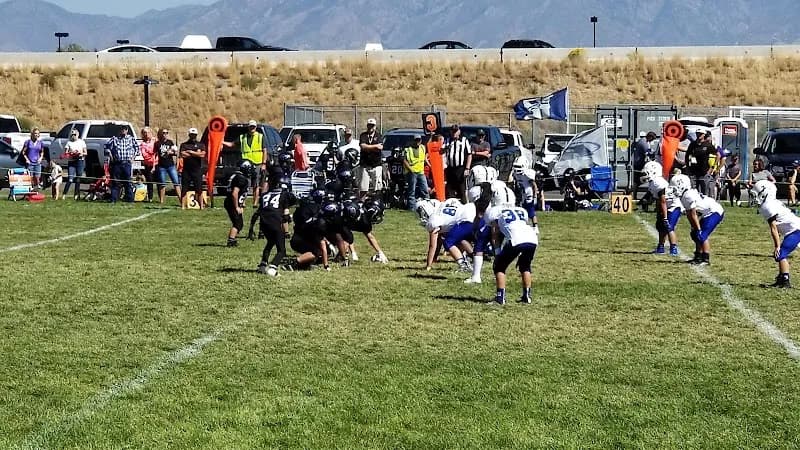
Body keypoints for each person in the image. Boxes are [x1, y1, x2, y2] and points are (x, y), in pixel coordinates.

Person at [484, 197, 539, 305]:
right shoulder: (520, 211)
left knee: (499, 266)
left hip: (516, 239)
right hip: (532, 238)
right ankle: (527, 296)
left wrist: (497, 252)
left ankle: (500, 298)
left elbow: (495, 235)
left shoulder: (497, 215)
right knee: (525, 266)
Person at [752, 180, 800, 288]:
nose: (755, 196)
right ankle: (782, 278)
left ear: (765, 192)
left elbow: (773, 228)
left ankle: (785, 281)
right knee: (780, 254)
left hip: (796, 230)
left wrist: (777, 246)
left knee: (780, 254)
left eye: (757, 193)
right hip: (793, 229)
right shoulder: (771, 203)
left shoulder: (768, 206)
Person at [671, 173, 724, 266]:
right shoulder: (685, 195)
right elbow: (689, 214)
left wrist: (698, 229)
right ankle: (698, 256)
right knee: (695, 234)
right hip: (707, 212)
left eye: (675, 187)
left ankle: (705, 259)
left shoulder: (688, 196)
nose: (673, 190)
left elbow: (693, 214)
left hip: (714, 211)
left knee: (702, 235)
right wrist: (694, 227)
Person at [253, 166, 296, 276]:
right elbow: (285, 217)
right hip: (275, 223)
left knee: (270, 242)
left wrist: (251, 228)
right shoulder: (284, 195)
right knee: (282, 251)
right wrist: (291, 218)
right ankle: (273, 267)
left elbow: (257, 213)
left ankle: (262, 265)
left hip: (264, 223)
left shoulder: (265, 195)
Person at [418, 198, 476, 272]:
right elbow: (439, 240)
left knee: (448, 242)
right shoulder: (445, 206)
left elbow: (433, 245)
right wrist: (435, 258)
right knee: (458, 239)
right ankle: (475, 259)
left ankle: (463, 264)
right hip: (474, 216)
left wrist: (428, 265)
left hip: (466, 221)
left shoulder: (435, 219)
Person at [223, 120, 267, 207]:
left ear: (255, 127)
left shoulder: (260, 137)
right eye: (251, 127)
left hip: (257, 162)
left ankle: (255, 203)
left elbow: (264, 150)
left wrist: (263, 163)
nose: (252, 128)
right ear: (248, 127)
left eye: (254, 127)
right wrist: (221, 142)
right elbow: (232, 144)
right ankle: (243, 202)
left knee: (256, 184)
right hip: (246, 164)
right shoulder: (242, 137)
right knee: (245, 183)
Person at [642, 161, 681, 256]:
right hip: (666, 206)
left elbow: (663, 200)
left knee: (669, 227)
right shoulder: (653, 182)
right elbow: (657, 199)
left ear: (653, 172)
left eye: (646, 173)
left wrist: (665, 217)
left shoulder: (658, 182)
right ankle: (661, 247)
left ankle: (673, 248)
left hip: (673, 206)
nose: (644, 175)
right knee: (661, 227)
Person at [287, 198, 330, 271]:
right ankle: (295, 263)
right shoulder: (317, 227)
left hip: (295, 240)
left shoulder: (299, 214)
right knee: (317, 252)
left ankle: (304, 263)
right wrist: (326, 266)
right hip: (300, 241)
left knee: (316, 250)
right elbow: (323, 249)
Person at [104, 124, 141, 203]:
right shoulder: (115, 139)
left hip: (127, 163)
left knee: (128, 181)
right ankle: (114, 199)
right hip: (117, 163)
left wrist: (133, 157)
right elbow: (106, 147)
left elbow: (137, 148)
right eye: (122, 129)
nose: (123, 131)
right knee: (115, 182)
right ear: (120, 130)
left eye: (125, 129)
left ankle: (130, 199)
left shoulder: (131, 139)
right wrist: (110, 154)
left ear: (127, 130)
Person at [224, 160, 252, 247]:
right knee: (237, 223)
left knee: (239, 223)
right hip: (232, 202)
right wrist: (236, 206)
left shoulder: (236, 176)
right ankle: (231, 240)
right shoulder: (241, 178)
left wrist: (242, 203)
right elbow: (235, 193)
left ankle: (233, 238)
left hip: (231, 201)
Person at [443, 124, 472, 201]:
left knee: (461, 189)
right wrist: (445, 148)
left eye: (455, 131)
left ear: (459, 131)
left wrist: (467, 168)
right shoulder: (447, 140)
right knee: (449, 189)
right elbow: (441, 151)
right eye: (452, 131)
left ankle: (463, 206)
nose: (454, 133)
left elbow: (469, 154)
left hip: (460, 168)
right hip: (450, 168)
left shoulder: (464, 140)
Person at [180, 128, 206, 209]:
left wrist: (190, 152)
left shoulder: (201, 144)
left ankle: (201, 206)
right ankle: (183, 206)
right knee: (184, 189)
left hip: (197, 170)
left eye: (194, 135)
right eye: (191, 134)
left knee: (199, 188)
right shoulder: (184, 144)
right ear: (189, 135)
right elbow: (183, 155)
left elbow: (202, 155)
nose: (193, 136)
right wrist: (196, 153)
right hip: (186, 170)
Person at [154, 128, 181, 205]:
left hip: (171, 165)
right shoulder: (157, 143)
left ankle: (181, 200)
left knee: (176, 183)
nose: (165, 134)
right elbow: (155, 154)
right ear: (160, 134)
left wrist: (171, 152)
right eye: (163, 133)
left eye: (166, 133)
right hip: (161, 166)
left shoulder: (170, 142)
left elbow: (176, 153)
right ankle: (161, 201)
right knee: (162, 184)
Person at [358, 118, 383, 199]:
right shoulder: (363, 135)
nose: (370, 127)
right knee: (363, 187)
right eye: (369, 125)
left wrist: (368, 147)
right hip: (365, 165)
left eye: (372, 125)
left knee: (378, 188)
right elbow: (363, 146)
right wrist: (374, 146)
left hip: (376, 165)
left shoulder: (379, 136)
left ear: (375, 126)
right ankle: (362, 204)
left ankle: (377, 204)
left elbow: (380, 147)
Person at [404, 135, 429, 211]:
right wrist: (410, 169)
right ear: (413, 140)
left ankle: (428, 206)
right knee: (412, 190)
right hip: (412, 172)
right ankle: (411, 208)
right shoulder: (408, 149)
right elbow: (404, 161)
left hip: (421, 172)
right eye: (416, 140)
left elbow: (426, 154)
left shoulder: (422, 147)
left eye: (419, 140)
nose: (417, 142)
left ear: (421, 140)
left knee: (425, 189)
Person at [62, 128, 87, 200]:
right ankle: (64, 194)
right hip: (71, 161)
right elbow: (66, 153)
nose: (73, 136)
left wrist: (80, 153)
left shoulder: (82, 142)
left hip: (80, 161)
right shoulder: (69, 143)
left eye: (75, 134)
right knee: (70, 179)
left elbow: (85, 153)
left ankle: (76, 195)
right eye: (72, 134)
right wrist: (71, 153)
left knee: (78, 179)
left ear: (78, 135)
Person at [632, 131, 657, 200]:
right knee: (638, 180)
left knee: (639, 180)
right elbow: (648, 152)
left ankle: (633, 192)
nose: (652, 141)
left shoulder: (645, 141)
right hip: (638, 163)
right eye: (652, 139)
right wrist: (655, 154)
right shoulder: (643, 142)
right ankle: (633, 193)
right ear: (650, 137)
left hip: (640, 163)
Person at [139, 126, 157, 201]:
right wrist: (152, 153)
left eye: (148, 132)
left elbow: (157, 153)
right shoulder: (142, 144)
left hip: (156, 163)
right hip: (148, 164)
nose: (146, 134)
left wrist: (154, 164)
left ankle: (161, 198)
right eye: (144, 133)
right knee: (149, 181)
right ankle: (150, 197)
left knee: (160, 180)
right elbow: (145, 155)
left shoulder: (155, 141)